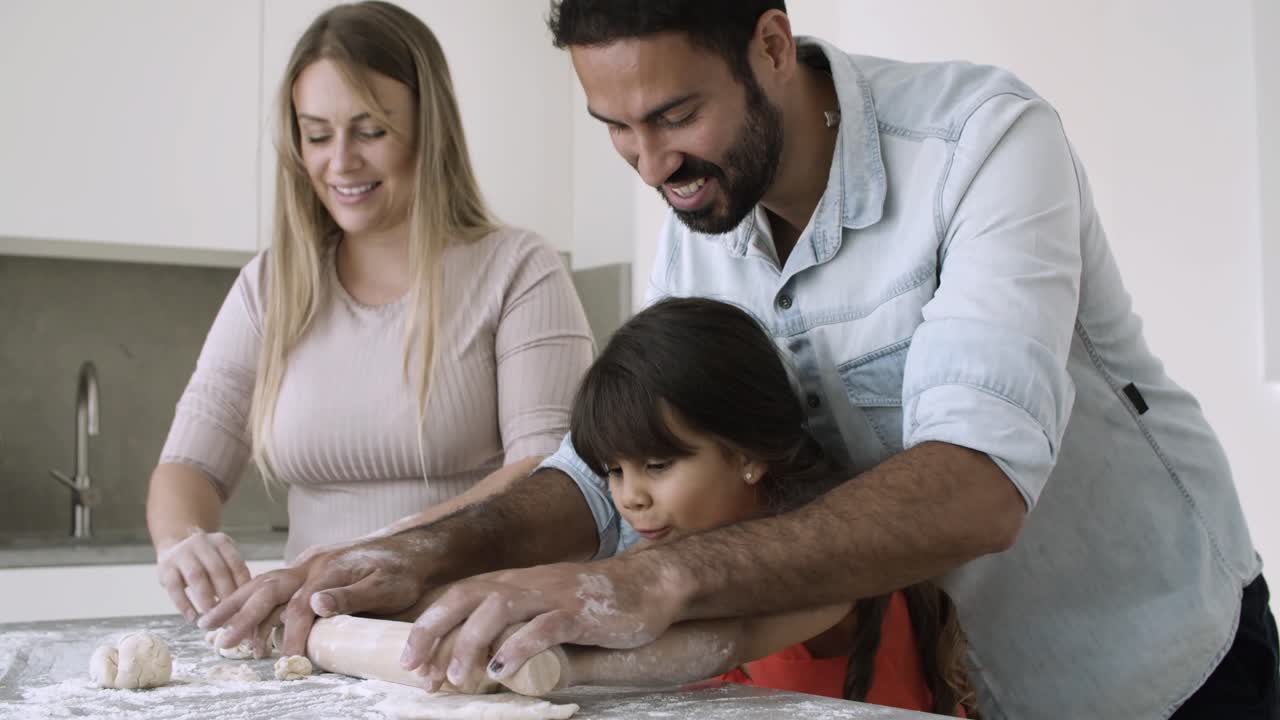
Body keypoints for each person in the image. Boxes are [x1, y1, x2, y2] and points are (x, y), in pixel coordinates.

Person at [202, 2, 1277, 718]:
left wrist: (650, 578)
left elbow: (977, 482)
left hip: (1149, 666)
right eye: (615, 127)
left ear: (770, 44)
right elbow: (609, 470)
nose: (651, 163)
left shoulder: (983, 145)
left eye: (675, 114)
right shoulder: (698, 223)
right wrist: (419, 555)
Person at [145, 0, 593, 632]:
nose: (341, 162)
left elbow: (548, 473)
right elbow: (188, 466)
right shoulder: (271, 286)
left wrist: (370, 553)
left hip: (465, 635)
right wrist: (183, 542)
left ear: (429, 128)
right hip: (316, 637)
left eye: (371, 131)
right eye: (317, 134)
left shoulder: (518, 270)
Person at [569, 296, 972, 715]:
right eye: (614, 471)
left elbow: (733, 634)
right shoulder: (670, 552)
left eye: (657, 465)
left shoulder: (825, 559)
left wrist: (569, 664)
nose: (630, 496)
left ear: (749, 454)